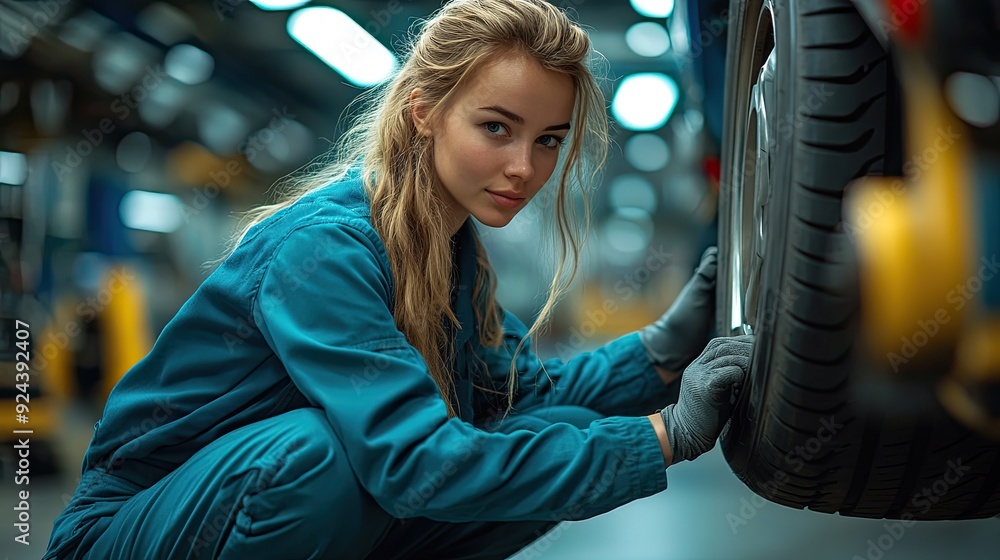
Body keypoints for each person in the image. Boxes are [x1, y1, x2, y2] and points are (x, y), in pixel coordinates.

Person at [43, 1, 753, 558]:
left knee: (554, 429)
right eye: (497, 128)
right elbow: (414, 462)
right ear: (424, 112)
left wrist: (665, 347)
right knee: (316, 460)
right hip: (128, 532)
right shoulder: (325, 250)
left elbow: (516, 396)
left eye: (548, 141)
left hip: (262, 517)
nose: (525, 169)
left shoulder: (453, 252)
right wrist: (665, 435)